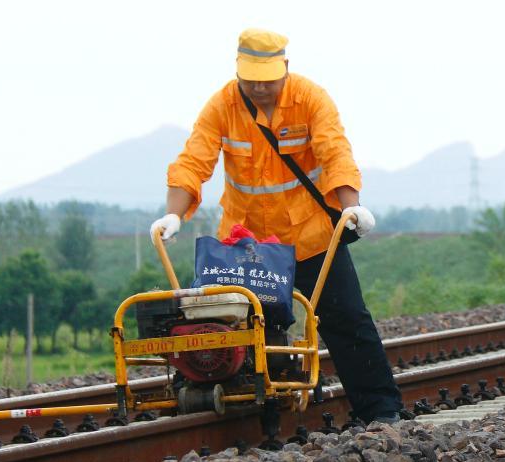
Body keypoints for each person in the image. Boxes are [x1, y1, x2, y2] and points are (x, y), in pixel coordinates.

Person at [154, 28, 403, 424]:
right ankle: (258, 418)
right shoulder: (223, 105)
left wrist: (353, 206)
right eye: (249, 77)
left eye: (267, 79)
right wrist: (173, 213)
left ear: (284, 68)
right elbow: (193, 160)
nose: (258, 87)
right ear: (238, 71)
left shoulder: (310, 100)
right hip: (247, 245)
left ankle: (381, 412)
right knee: (246, 330)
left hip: (311, 236)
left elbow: (335, 152)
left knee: (347, 321)